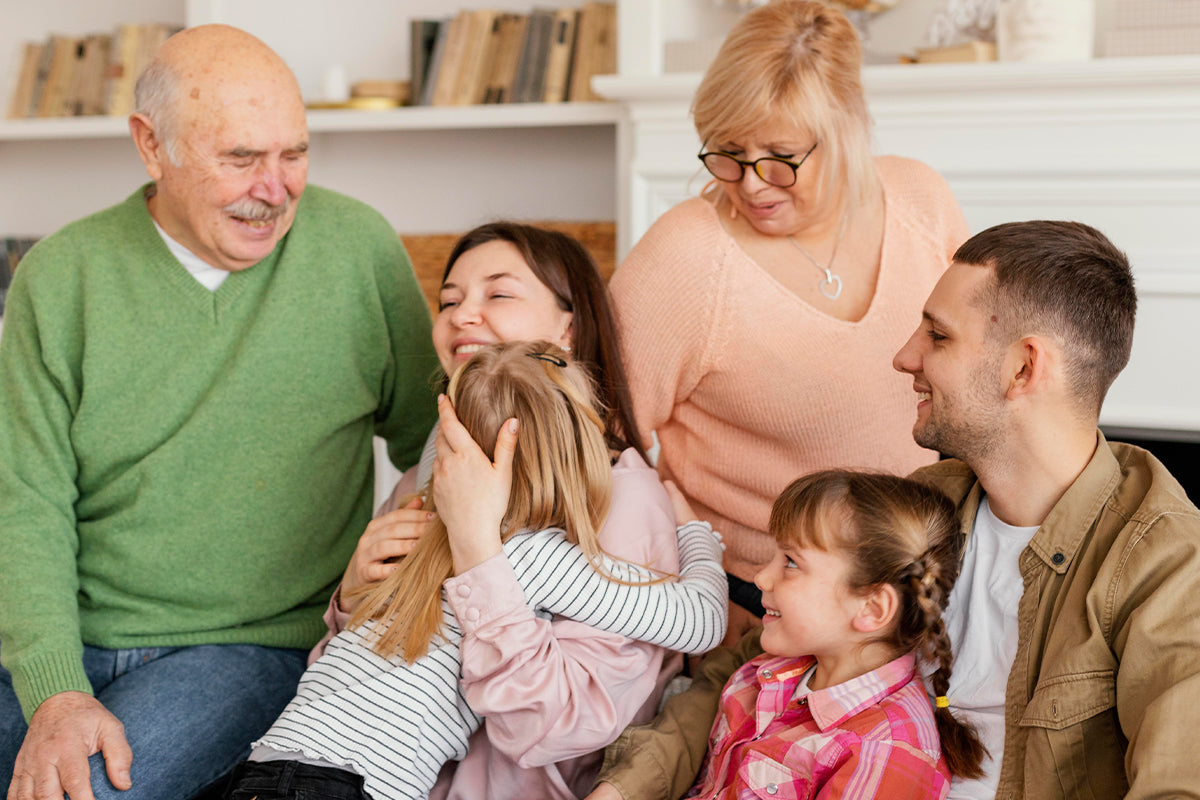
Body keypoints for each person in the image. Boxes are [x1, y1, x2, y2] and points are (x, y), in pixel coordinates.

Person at [590, 220, 1200, 800]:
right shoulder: (932, 500)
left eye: (937, 335)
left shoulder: (1165, 562)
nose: (905, 357)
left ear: (1023, 367)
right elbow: (745, 670)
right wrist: (622, 788)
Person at [0, 25, 438, 800]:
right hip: (70, 633)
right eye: (240, 158)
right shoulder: (61, 276)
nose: (275, 188)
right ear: (150, 145)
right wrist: (56, 691)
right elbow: (25, 504)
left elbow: (435, 444)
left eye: (294, 154)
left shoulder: (358, 251)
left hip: (249, 648)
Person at [608, 0, 969, 645]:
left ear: (848, 128)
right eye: (727, 152)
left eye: (780, 155)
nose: (750, 184)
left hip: (913, 584)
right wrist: (696, 582)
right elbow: (599, 442)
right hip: (760, 600)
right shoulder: (684, 258)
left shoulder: (920, 201)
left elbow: (978, 371)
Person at [221, 342, 728, 800]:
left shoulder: (416, 532)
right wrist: (696, 535)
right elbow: (700, 621)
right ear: (579, 450)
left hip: (264, 766)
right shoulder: (534, 557)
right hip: (347, 789)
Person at [322, 222, 699, 799]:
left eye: (497, 294)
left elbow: (565, 726)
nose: (461, 315)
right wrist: (351, 601)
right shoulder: (424, 479)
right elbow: (352, 693)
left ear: (569, 329)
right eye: (449, 301)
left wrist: (479, 557)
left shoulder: (620, 498)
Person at [689, 470, 985, 799]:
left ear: (872, 608)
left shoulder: (883, 752)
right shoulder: (762, 674)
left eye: (790, 562)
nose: (761, 577)